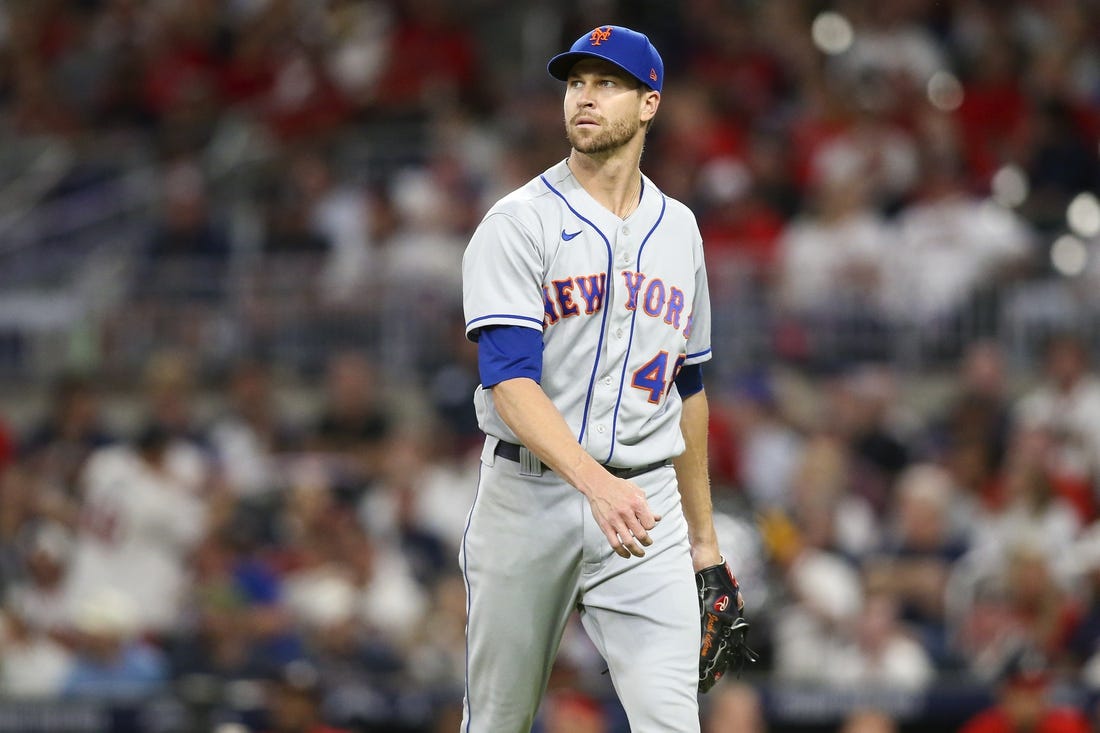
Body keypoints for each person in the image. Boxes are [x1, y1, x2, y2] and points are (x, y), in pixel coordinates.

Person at [460, 24, 742, 731]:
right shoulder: (518, 222)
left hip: (645, 503)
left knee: (672, 723)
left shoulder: (680, 229)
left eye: (607, 83)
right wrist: (596, 483)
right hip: (530, 496)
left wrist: (704, 541)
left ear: (649, 104)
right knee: (498, 719)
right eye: (576, 82)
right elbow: (509, 383)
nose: (585, 98)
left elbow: (689, 389)